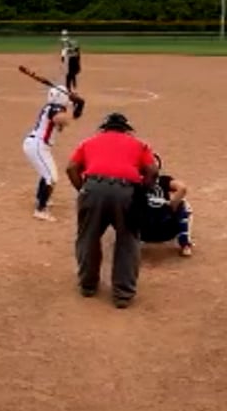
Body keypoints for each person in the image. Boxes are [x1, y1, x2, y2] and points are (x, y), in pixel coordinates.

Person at [65, 111, 159, 309]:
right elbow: (152, 170)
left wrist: (83, 189)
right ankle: (123, 294)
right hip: (126, 191)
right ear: (126, 130)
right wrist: (142, 192)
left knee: (88, 237)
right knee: (128, 240)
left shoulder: (89, 142)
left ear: (104, 128)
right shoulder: (139, 144)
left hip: (93, 188)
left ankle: (88, 285)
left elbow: (71, 167)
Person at [23, 85, 73, 221]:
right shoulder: (54, 108)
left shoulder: (54, 108)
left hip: (39, 146)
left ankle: (41, 199)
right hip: (37, 145)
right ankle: (40, 210)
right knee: (51, 177)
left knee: (48, 174)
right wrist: (75, 105)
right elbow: (62, 120)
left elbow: (61, 125)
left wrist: (76, 106)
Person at [132, 153, 194, 257]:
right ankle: (185, 245)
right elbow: (182, 188)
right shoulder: (164, 180)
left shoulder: (134, 182)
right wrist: (172, 205)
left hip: (143, 234)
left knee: (122, 205)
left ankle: (127, 243)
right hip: (166, 232)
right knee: (184, 205)